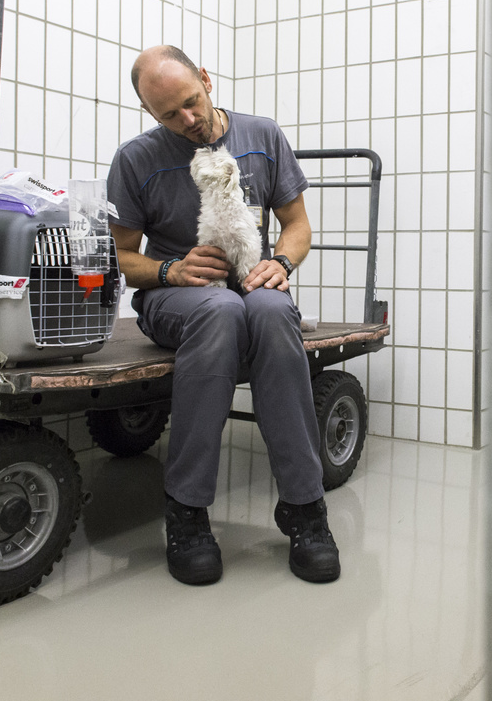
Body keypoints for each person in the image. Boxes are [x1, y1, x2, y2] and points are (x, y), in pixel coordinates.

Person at [105, 45, 339, 585]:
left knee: (271, 311)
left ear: (207, 80)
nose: (187, 120)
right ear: (150, 114)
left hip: (249, 281)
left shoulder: (262, 135)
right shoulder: (135, 159)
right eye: (169, 115)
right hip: (177, 296)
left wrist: (281, 262)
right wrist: (170, 270)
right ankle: (186, 512)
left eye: (192, 102)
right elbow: (121, 257)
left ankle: (305, 508)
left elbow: (298, 225)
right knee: (219, 311)